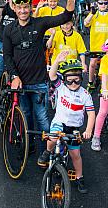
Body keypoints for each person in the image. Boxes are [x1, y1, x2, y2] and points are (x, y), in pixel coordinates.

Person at [3, 0, 76, 160]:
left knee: (42, 118)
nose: (23, 11)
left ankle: (46, 151)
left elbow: (65, 16)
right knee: (26, 116)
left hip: (39, 82)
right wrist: (14, 76)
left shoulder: (40, 23)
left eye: (26, 7)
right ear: (14, 8)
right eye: (19, 7)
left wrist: (70, 0)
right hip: (21, 83)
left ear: (31, 7)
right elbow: (7, 56)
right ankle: (29, 146)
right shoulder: (9, 29)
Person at [39, 53, 95, 193]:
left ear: (81, 79)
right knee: (53, 138)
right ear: (64, 80)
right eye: (69, 81)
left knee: (75, 154)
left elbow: (91, 113)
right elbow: (52, 75)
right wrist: (57, 61)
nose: (73, 84)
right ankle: (47, 151)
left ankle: (79, 177)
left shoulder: (85, 95)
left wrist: (88, 130)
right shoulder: (61, 87)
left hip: (74, 127)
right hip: (60, 121)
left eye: (76, 80)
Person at [83, 0, 108, 90]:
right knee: (92, 63)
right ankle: (90, 82)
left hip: (107, 47)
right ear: (97, 3)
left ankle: (107, 82)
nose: (103, 5)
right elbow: (86, 23)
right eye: (100, 3)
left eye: (105, 3)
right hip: (95, 45)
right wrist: (92, 13)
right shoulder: (94, 14)